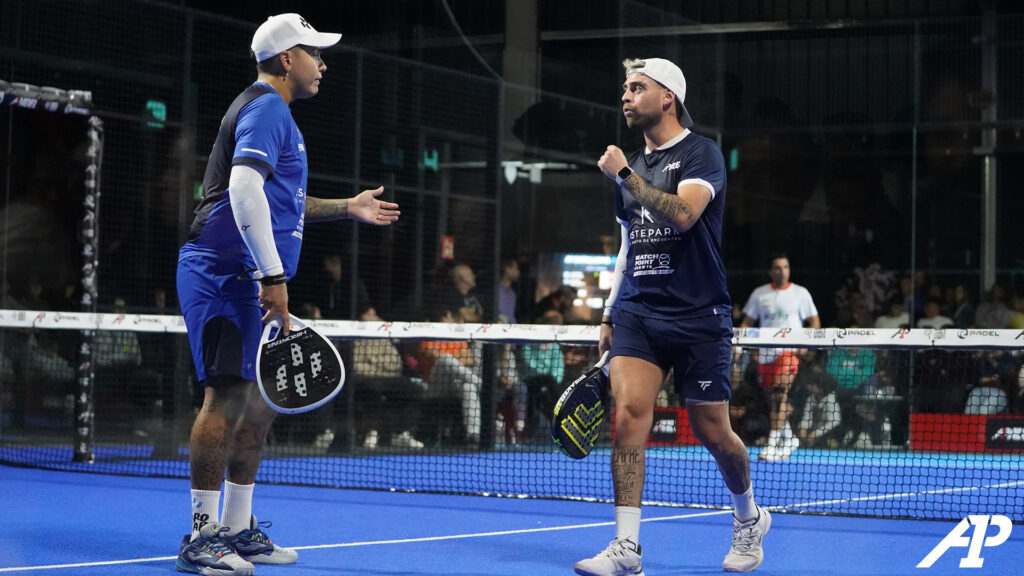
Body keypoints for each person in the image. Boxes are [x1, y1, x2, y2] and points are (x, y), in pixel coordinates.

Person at [174, 14, 400, 576]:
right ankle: (201, 537)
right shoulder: (266, 107)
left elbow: (280, 202)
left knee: (257, 407)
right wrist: (271, 277)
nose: (322, 63)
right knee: (224, 400)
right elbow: (244, 187)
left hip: (248, 278)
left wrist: (347, 207)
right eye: (313, 53)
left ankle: (238, 528)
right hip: (224, 276)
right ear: (284, 60)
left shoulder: (277, 116)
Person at [575, 57, 769, 576]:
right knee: (628, 418)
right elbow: (626, 246)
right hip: (639, 310)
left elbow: (683, 216)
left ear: (668, 97)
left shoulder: (702, 153)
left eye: (637, 87)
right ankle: (626, 548)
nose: (625, 95)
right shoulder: (630, 167)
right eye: (624, 87)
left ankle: (748, 516)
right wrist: (610, 312)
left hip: (699, 312)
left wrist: (623, 173)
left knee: (713, 431)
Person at [739, 253, 820, 461]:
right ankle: (791, 438)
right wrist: (745, 345)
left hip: (788, 353)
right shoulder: (760, 294)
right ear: (770, 271)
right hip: (766, 355)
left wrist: (805, 345)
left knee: (778, 395)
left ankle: (772, 443)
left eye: (785, 267)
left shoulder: (800, 293)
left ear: (789, 270)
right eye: (777, 267)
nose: (782, 271)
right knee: (774, 401)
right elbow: (747, 322)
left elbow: (815, 322)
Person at [497, 256, 520, 323]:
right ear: (507, 269)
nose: (518, 272)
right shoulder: (497, 290)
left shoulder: (512, 293)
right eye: (516, 268)